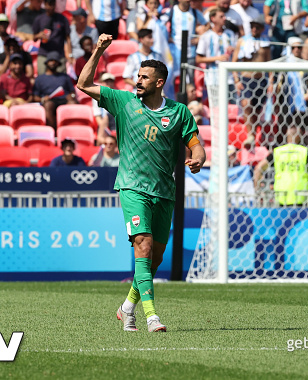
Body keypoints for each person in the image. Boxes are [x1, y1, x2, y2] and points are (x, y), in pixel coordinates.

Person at [77, 34, 205, 332]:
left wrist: (197, 157)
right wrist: (98, 50)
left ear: (159, 82)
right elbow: (83, 84)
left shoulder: (178, 112)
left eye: (144, 77)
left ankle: (126, 307)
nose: (138, 81)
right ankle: (151, 316)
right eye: (137, 75)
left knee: (154, 257)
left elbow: (195, 143)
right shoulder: (123, 102)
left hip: (164, 192)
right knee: (143, 246)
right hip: (133, 187)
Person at [253, 127, 308, 206]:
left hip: (281, 196)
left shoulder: (277, 151)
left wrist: (257, 190)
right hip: (301, 195)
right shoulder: (304, 151)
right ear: (299, 136)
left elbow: (258, 168)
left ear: (286, 136)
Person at [232, 14, 271, 147]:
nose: (254, 29)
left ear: (262, 29)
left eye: (257, 27)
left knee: (256, 110)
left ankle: (254, 134)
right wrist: (237, 79)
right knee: (246, 104)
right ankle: (250, 135)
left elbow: (269, 63)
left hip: (260, 80)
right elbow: (234, 61)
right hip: (246, 79)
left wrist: (271, 81)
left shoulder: (265, 43)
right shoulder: (242, 41)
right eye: (253, 27)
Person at [163, 0, 206, 81]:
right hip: (174, 52)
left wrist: (199, 38)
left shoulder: (194, 12)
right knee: (173, 79)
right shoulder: (171, 11)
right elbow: (159, 25)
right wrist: (167, 37)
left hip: (190, 52)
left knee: (190, 79)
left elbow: (207, 25)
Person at [33, 51, 77, 128]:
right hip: (49, 101)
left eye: (55, 61)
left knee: (72, 103)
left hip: (64, 100)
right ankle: (53, 132)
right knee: (48, 105)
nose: (53, 63)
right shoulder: (39, 79)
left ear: (58, 64)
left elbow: (72, 92)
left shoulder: (65, 76)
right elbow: (35, 97)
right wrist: (43, 99)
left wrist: (71, 96)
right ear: (46, 62)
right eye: (51, 60)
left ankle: (69, 130)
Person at [196, 8, 237, 88]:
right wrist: (218, 58)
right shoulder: (206, 36)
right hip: (213, 78)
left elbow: (237, 53)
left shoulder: (230, 34)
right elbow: (198, 59)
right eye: (221, 16)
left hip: (230, 78)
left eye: (224, 16)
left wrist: (234, 49)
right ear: (213, 19)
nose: (224, 18)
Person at [32, 0, 71, 75]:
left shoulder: (62, 19)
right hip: (44, 54)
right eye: (49, 4)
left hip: (59, 55)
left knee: (60, 79)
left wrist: (70, 55)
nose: (51, 7)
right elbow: (34, 38)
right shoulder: (39, 19)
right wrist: (39, 35)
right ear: (45, 5)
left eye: (52, 4)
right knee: (42, 78)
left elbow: (68, 38)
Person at [93, 72, 116, 143]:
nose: (108, 83)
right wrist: (105, 129)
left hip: (115, 123)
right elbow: (98, 117)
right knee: (101, 138)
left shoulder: (117, 95)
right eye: (106, 81)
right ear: (102, 83)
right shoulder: (97, 97)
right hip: (104, 126)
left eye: (110, 81)